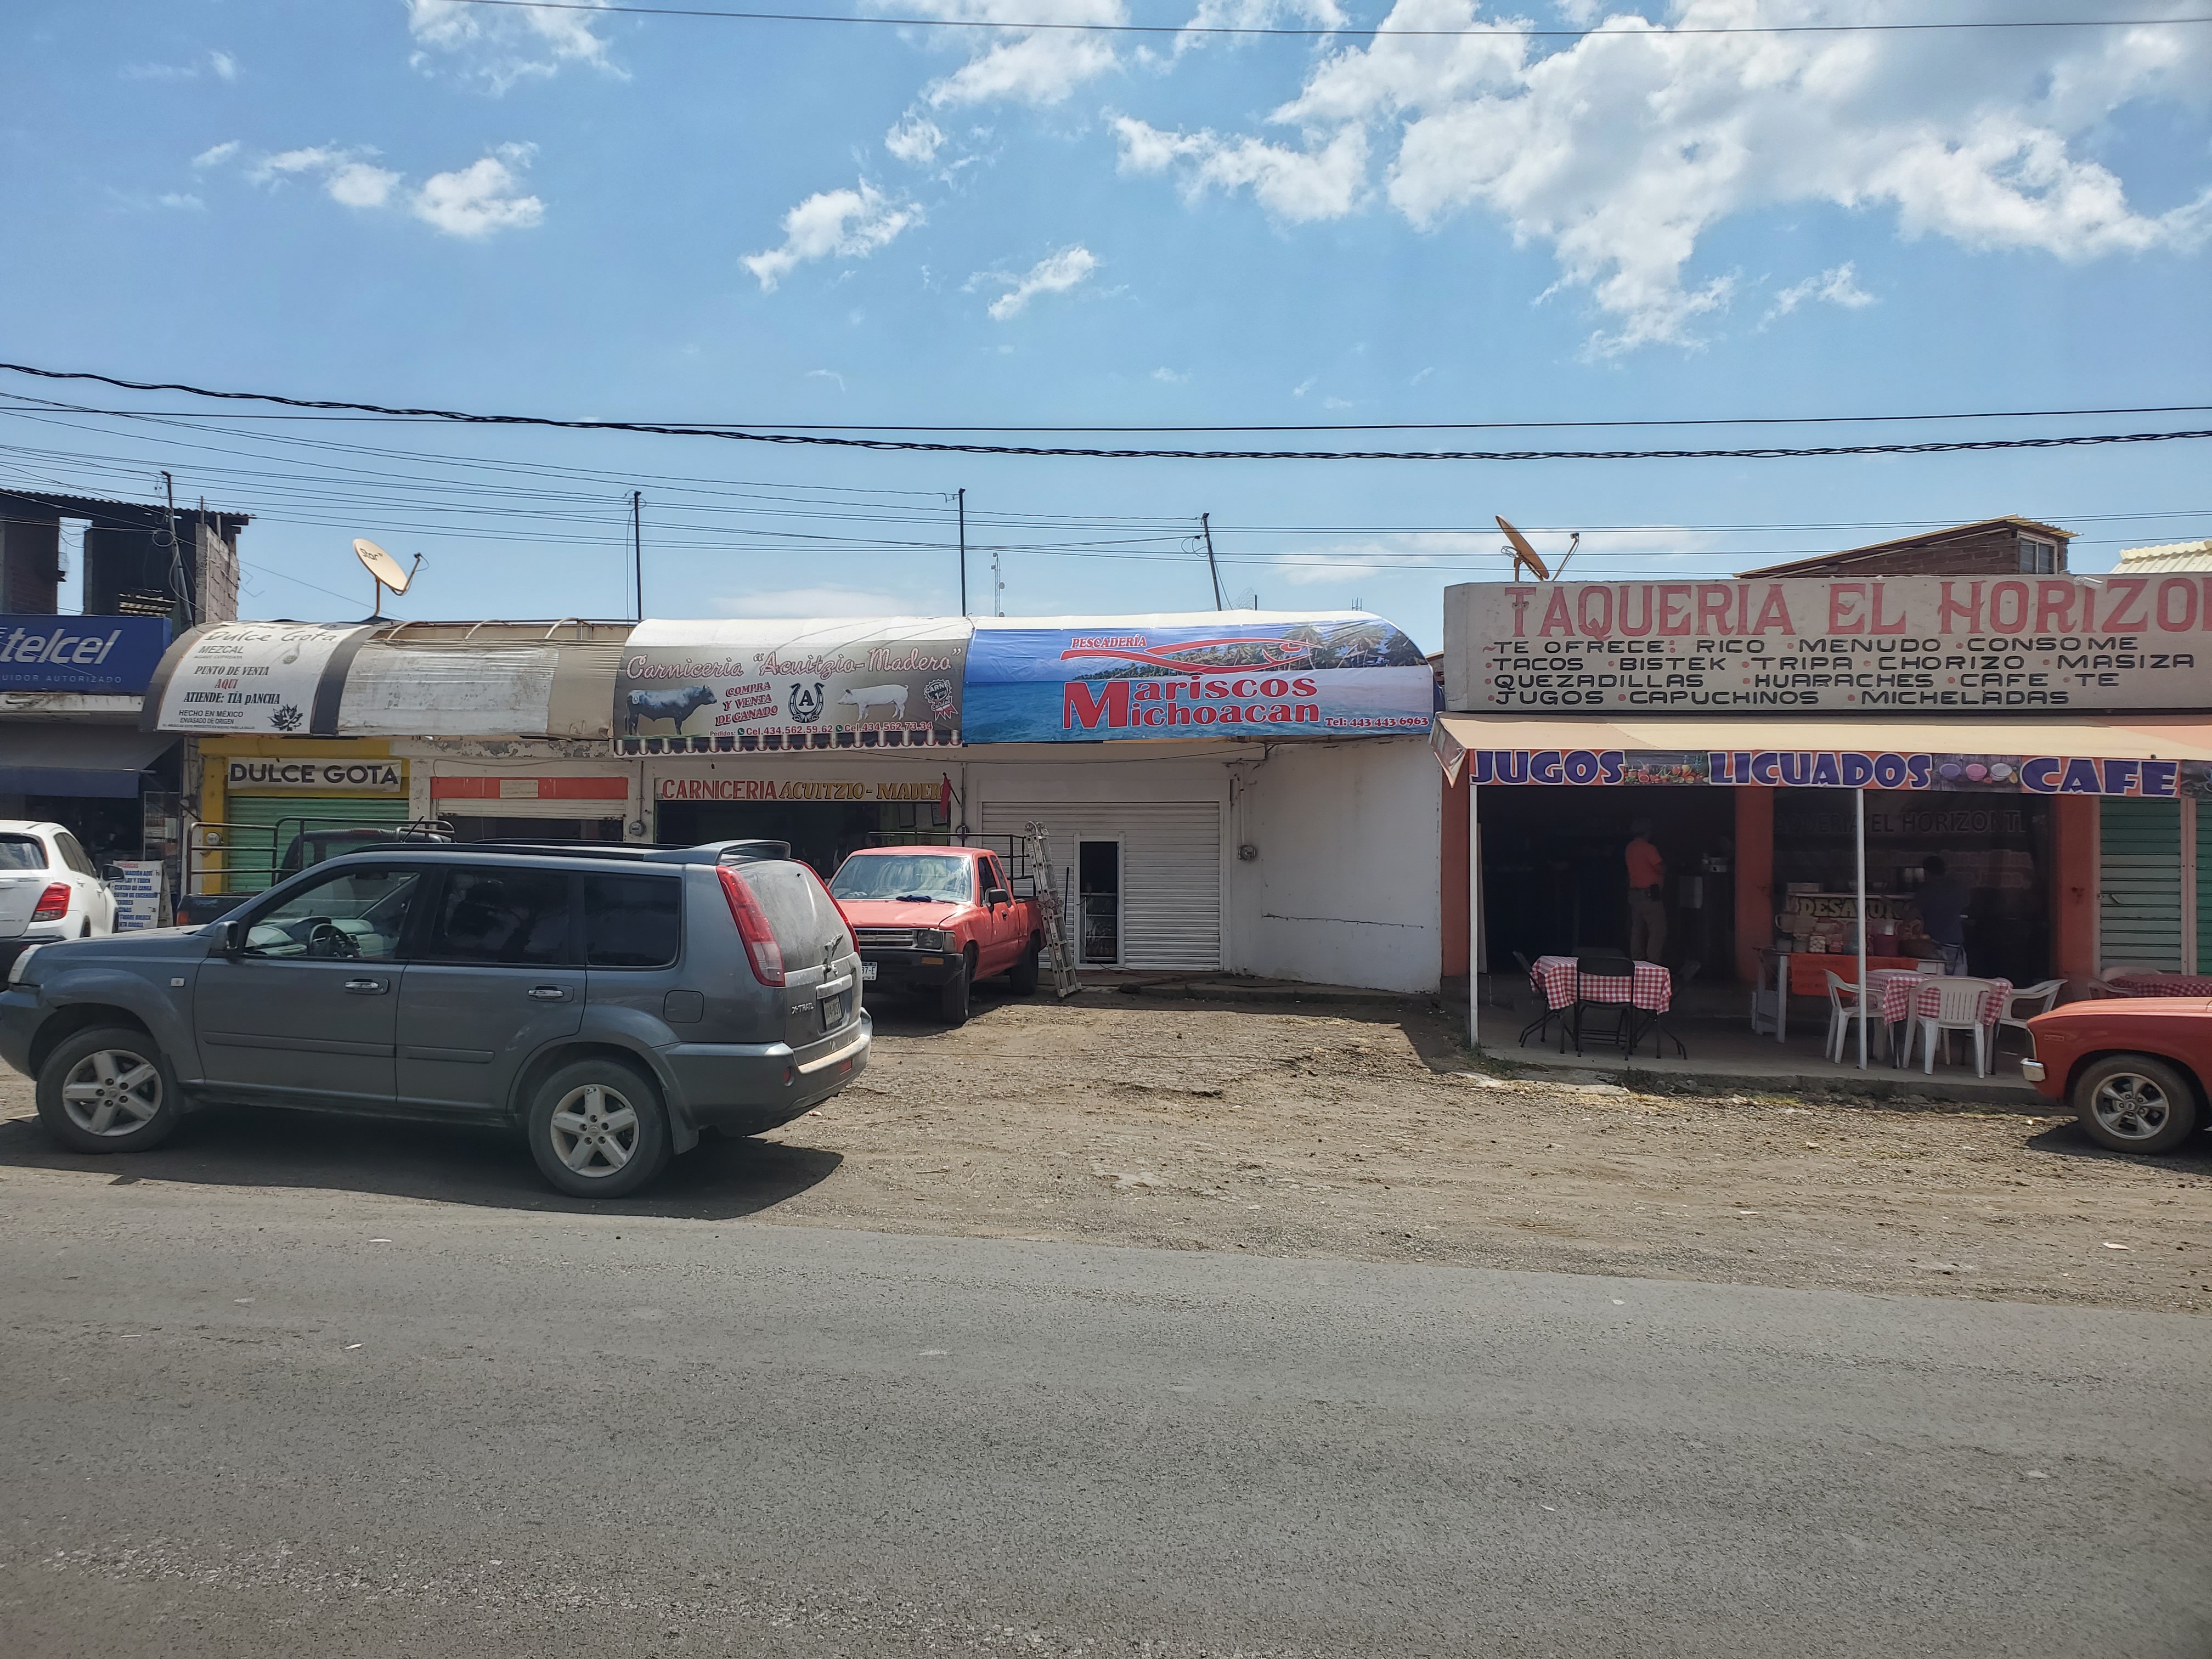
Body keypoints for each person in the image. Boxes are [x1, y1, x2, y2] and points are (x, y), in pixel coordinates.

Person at [1917, 855, 1971, 975]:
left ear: (1926, 872)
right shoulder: (1958, 887)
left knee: (1934, 983)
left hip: (1934, 947)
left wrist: (1888, 903)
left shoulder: (1926, 890)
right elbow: (1967, 903)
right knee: (1957, 984)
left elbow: (1910, 915)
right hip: (1955, 945)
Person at [1625, 819, 1667, 963]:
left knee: (1637, 929)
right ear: (1648, 832)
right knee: (1658, 930)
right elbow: (1660, 868)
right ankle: (1653, 963)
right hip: (1649, 896)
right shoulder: (1648, 848)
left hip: (1635, 894)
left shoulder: (1630, 847)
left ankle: (1636, 961)